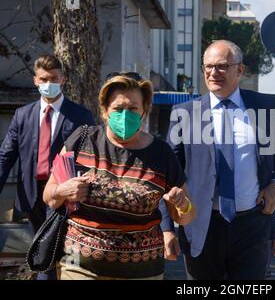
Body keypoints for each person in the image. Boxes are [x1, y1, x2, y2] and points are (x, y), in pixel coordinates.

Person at [42, 73, 196, 280]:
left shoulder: (161, 153)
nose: (125, 115)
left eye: (133, 108)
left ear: (144, 111)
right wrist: (63, 190)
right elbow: (49, 195)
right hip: (79, 265)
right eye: (118, 109)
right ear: (105, 111)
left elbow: (186, 216)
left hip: (142, 271)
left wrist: (182, 204)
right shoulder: (82, 140)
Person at [163, 40, 275, 280]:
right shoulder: (184, 112)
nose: (214, 72)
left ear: (240, 70)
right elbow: (167, 174)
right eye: (209, 66)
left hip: (252, 225)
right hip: (201, 225)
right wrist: (167, 228)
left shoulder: (263, 106)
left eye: (222, 66)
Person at [0, 54, 95, 280]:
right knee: (43, 253)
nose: (48, 84)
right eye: (43, 79)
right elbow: (6, 156)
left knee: (62, 254)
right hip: (32, 196)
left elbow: (91, 158)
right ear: (35, 81)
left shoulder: (80, 115)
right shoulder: (23, 115)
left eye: (54, 78)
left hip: (65, 197)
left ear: (63, 79)